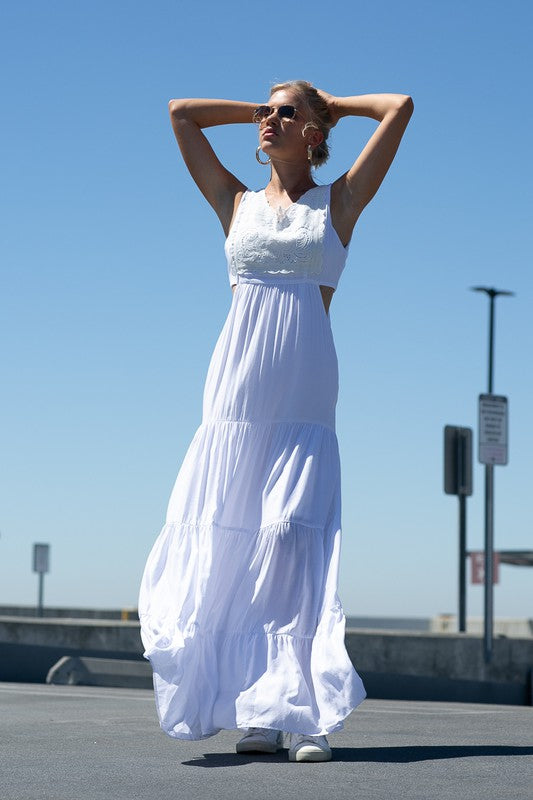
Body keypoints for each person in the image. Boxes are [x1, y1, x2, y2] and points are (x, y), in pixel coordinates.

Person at [139, 81, 413, 763]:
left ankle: (304, 716)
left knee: (289, 537)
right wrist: (267, 111)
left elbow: (399, 107)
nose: (267, 120)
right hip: (233, 397)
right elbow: (181, 114)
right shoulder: (233, 203)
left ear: (314, 134)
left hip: (302, 398)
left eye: (282, 113)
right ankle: (257, 711)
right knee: (234, 545)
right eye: (264, 111)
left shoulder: (338, 202)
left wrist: (328, 107)